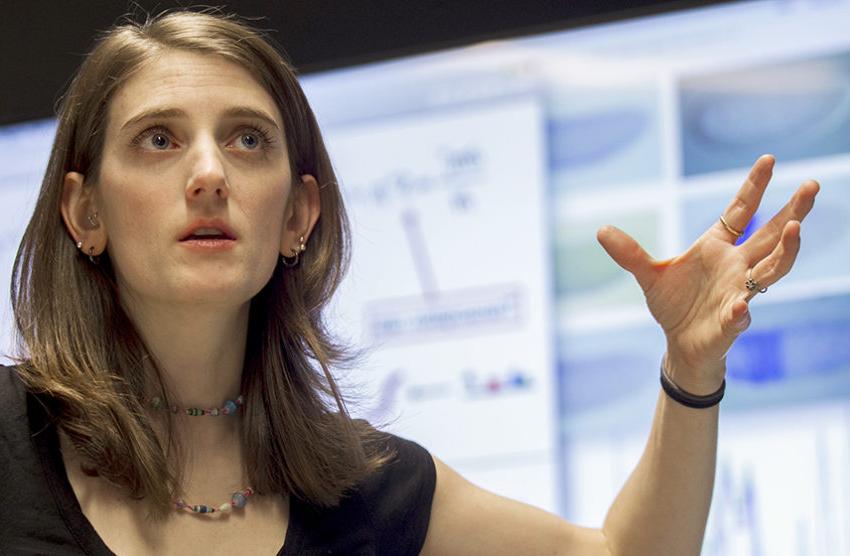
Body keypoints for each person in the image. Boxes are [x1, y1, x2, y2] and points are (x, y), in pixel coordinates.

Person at [0, 9, 819, 556]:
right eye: (157, 141)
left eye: (249, 140)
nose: (210, 172)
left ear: (298, 216)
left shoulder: (365, 491)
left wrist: (690, 369)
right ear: (84, 212)